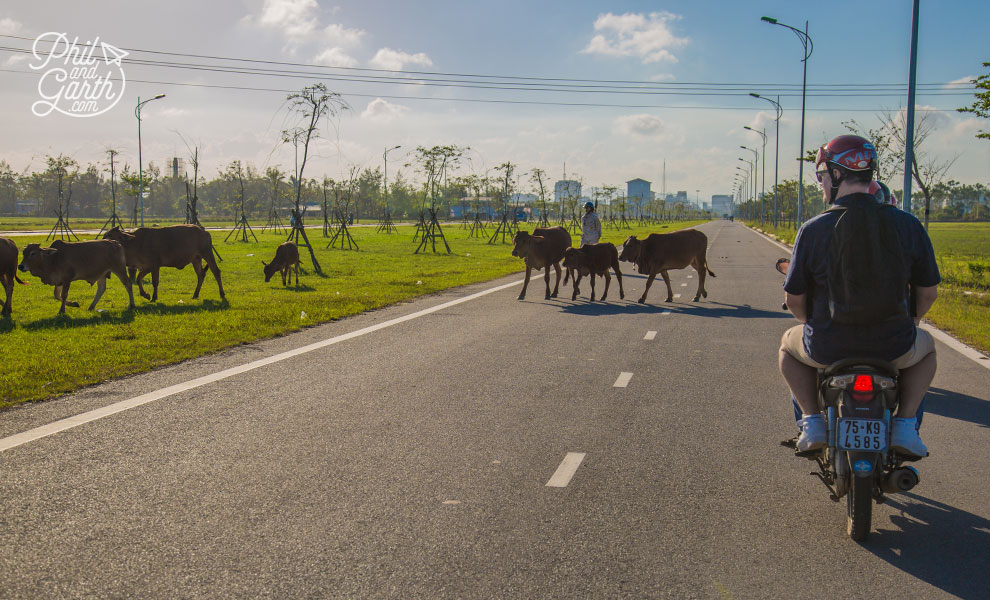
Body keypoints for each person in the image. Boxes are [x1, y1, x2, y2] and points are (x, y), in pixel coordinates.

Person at [779, 134, 940, 457]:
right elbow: (927, 293)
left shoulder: (814, 228)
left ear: (836, 175)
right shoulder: (907, 224)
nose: (821, 184)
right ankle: (906, 425)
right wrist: (911, 322)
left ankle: (811, 422)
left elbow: (795, 300)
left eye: (822, 177)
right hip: (892, 345)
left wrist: (812, 323)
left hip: (828, 346)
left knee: (787, 347)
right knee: (927, 350)